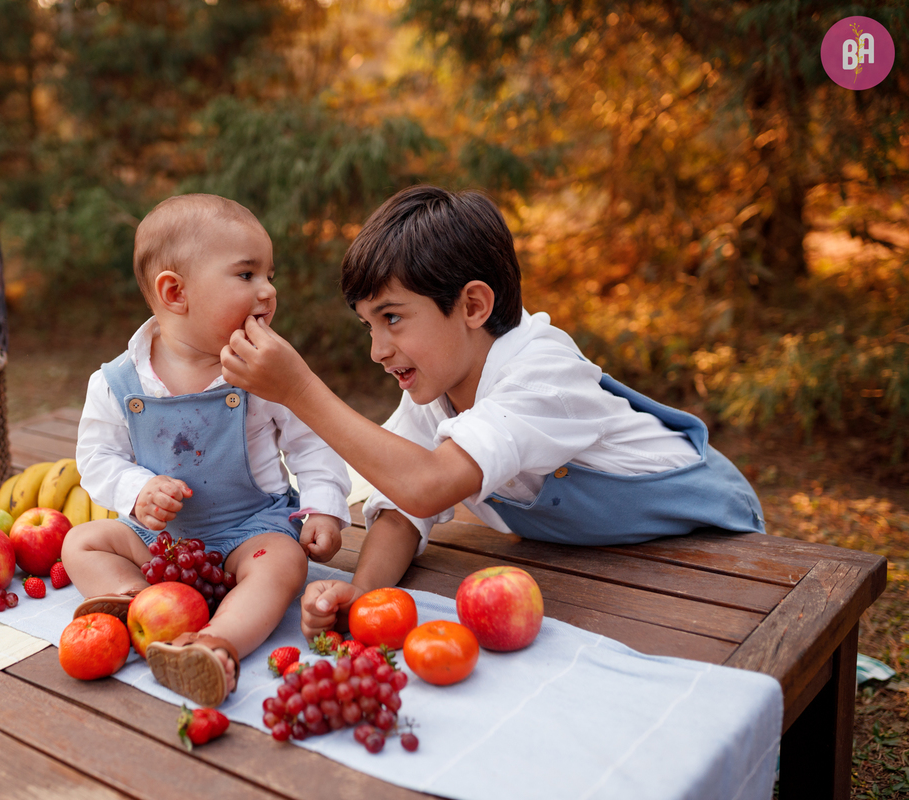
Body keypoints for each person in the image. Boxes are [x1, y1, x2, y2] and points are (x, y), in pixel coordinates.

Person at [220, 184, 765, 641]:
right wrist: (364, 598)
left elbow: (429, 485)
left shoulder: (545, 374)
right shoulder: (438, 392)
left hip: (720, 553)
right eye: (369, 325)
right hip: (613, 565)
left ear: (473, 306)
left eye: (392, 318)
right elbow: (402, 508)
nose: (378, 350)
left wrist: (298, 390)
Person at [63, 193, 351, 707]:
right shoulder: (117, 383)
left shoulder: (264, 371)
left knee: (282, 562)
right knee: (82, 542)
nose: (269, 290)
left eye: (269, 274)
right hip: (163, 541)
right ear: (175, 292)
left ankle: (215, 644)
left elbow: (312, 438)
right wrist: (137, 489)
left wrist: (325, 506)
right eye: (247, 276)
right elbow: (97, 457)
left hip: (248, 531)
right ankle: (140, 606)